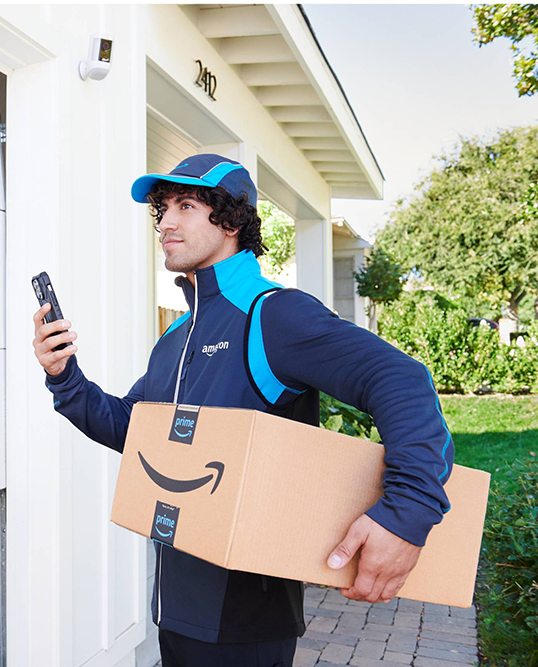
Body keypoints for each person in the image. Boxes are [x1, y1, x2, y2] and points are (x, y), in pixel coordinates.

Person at [31, 154, 454, 667]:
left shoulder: (272, 314)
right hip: (175, 610)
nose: (166, 222)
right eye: (162, 209)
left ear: (231, 221)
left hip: (244, 626)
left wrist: (406, 515)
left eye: (186, 205)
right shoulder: (176, 336)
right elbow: (133, 428)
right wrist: (65, 378)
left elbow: (402, 380)